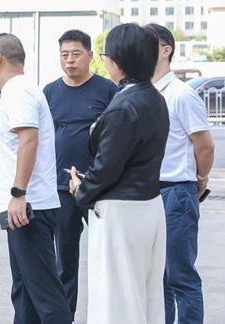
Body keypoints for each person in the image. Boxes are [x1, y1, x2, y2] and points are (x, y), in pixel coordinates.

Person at [69, 23, 169, 324]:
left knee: (116, 301)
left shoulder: (124, 105)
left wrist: (80, 190)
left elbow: (106, 169)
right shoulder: (155, 98)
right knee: (146, 298)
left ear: (117, 60)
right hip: (149, 205)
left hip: (121, 212)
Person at [0, 32, 71, 324]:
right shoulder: (19, 90)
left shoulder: (18, 91)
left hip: (27, 206)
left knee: (45, 292)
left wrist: (18, 194)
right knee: (25, 290)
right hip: (22, 207)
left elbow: (28, 141)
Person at [43, 29, 117, 320]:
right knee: (65, 261)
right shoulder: (49, 92)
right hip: (61, 188)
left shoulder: (108, 91)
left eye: (76, 54)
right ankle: (66, 316)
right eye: (64, 55)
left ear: (89, 56)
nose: (70, 60)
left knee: (106, 256)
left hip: (99, 187)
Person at [146, 23, 215, 324]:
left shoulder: (181, 95)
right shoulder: (147, 93)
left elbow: (205, 146)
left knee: (180, 276)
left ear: (166, 50)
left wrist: (198, 182)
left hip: (177, 193)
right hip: (150, 193)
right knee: (157, 278)